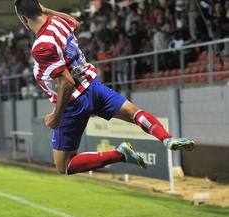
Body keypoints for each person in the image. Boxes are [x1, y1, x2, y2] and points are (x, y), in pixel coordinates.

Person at [14, 0, 195, 175]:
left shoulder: (41, 45)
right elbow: (75, 23)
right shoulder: (58, 21)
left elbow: (66, 82)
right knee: (134, 113)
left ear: (23, 19)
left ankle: (121, 154)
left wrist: (56, 116)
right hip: (93, 87)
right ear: (40, 8)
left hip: (72, 102)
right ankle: (167, 138)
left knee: (64, 165)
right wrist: (49, 11)